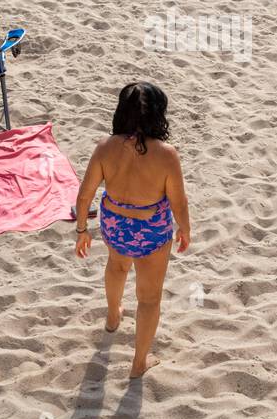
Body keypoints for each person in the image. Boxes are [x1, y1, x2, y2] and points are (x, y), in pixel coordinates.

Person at [74, 82, 191, 380]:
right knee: (149, 299)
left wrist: (82, 230)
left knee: (117, 265)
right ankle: (139, 363)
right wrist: (184, 228)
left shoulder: (105, 147)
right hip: (150, 228)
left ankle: (113, 316)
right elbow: (178, 201)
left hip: (114, 223)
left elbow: (85, 195)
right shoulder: (166, 155)